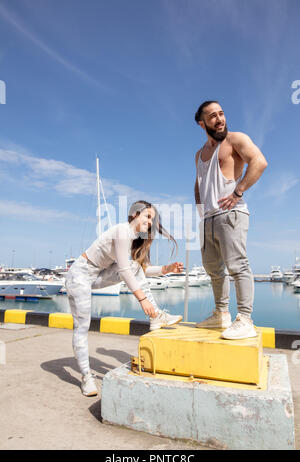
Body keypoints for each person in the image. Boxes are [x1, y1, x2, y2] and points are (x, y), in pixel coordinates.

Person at [65, 200, 183, 396]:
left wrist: (166, 269)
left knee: (136, 266)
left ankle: (156, 316)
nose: (150, 222)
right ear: (134, 215)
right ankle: (86, 376)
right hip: (80, 275)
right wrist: (142, 299)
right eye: (147, 216)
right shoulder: (122, 231)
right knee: (82, 326)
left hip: (97, 275)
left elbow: (137, 270)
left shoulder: (131, 238)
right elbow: (123, 270)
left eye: (152, 219)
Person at [194, 101, 268, 340]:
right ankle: (221, 314)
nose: (220, 119)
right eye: (213, 116)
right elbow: (199, 183)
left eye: (221, 113)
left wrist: (238, 192)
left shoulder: (235, 139)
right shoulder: (199, 154)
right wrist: (200, 210)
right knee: (214, 270)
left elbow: (259, 162)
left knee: (238, 267)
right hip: (208, 219)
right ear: (201, 123)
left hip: (231, 214)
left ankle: (245, 318)